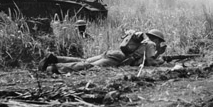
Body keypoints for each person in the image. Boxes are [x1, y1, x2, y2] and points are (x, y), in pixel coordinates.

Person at [39, 29, 167, 73]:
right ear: (156, 39)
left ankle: (55, 58)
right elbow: (149, 62)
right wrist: (159, 59)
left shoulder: (143, 42)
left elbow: (142, 59)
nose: (158, 44)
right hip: (118, 58)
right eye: (159, 41)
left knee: (85, 60)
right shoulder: (151, 45)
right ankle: (55, 68)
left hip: (113, 53)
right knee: (88, 66)